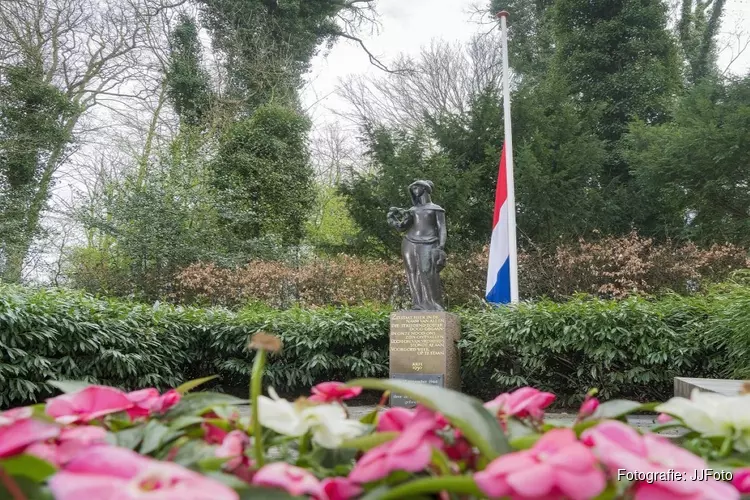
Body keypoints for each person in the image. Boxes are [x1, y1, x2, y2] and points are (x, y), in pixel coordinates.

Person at [387, 180, 447, 311]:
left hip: (430, 242)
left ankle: (433, 304)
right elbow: (402, 227)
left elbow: (442, 228)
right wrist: (392, 219)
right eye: (413, 189)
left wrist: (441, 247)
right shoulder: (412, 210)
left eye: (416, 188)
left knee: (427, 272)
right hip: (409, 242)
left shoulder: (436, 209)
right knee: (412, 272)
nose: (414, 191)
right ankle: (418, 304)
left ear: (424, 189)